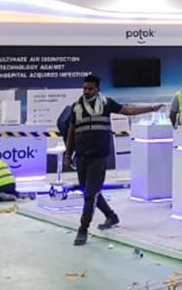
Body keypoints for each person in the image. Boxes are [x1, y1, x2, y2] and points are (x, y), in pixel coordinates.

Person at [65, 74, 162, 246]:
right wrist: (68, 154)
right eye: (85, 88)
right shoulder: (76, 107)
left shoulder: (106, 103)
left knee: (90, 194)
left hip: (99, 156)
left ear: (97, 89)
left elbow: (128, 111)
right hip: (81, 156)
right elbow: (71, 132)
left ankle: (83, 229)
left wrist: (152, 108)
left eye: (90, 88)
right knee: (90, 191)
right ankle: (111, 216)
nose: (87, 91)